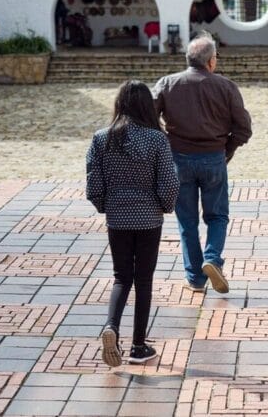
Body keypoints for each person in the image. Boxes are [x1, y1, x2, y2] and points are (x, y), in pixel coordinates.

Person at [86, 81, 179, 367]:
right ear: (146, 107)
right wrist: (166, 206)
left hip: (117, 217)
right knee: (144, 279)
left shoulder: (101, 138)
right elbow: (168, 182)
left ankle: (111, 327)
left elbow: (93, 182)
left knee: (121, 277)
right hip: (149, 218)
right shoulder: (156, 139)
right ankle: (139, 346)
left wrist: (106, 206)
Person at [152, 32, 252, 294]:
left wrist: (167, 141)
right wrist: (226, 150)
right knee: (217, 215)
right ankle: (212, 258)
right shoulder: (226, 87)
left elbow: (148, 119)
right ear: (211, 61)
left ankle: (195, 279)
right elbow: (243, 128)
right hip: (213, 158)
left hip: (179, 160)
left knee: (187, 221)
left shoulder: (167, 84)